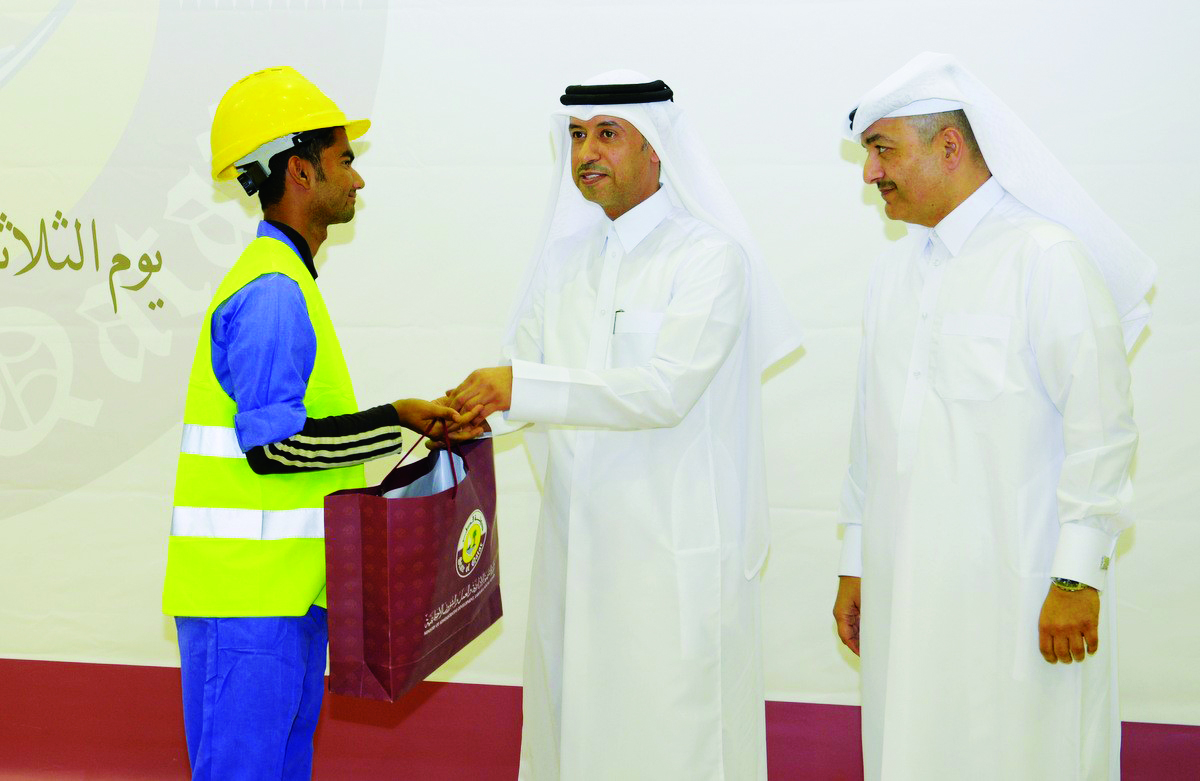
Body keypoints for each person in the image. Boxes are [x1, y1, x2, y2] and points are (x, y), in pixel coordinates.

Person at [447, 71, 802, 779]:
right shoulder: (563, 263)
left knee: (673, 741)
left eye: (607, 134)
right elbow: (527, 381)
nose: (586, 152)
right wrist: (470, 412)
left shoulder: (708, 259)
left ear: (657, 148)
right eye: (577, 135)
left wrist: (520, 385)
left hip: (672, 556)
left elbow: (664, 390)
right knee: (570, 735)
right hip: (579, 549)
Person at [832, 52, 1155, 780]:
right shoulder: (893, 273)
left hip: (1018, 593)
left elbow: (1102, 432)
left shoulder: (1046, 257)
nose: (869, 173)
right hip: (902, 585)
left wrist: (1077, 578)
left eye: (881, 149)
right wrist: (856, 564)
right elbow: (868, 437)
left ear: (949, 146)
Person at [161, 66, 480, 780]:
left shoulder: (290, 280)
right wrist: (395, 419)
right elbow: (274, 448)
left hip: (283, 600)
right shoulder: (274, 292)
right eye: (346, 161)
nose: (357, 180)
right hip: (247, 607)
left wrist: (400, 422)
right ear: (301, 172)